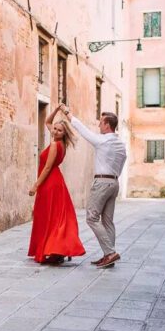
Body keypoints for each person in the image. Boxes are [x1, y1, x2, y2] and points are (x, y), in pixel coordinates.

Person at [60, 104, 127, 269]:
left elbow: (83, 130)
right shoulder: (120, 145)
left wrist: (68, 113)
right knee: (108, 221)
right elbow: (122, 162)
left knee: (91, 217)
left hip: (102, 182)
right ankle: (108, 255)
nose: (99, 125)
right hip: (114, 182)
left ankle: (110, 252)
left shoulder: (103, 141)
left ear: (107, 125)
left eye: (101, 122)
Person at [28, 105, 86, 265]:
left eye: (59, 130)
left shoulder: (55, 145)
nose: (54, 131)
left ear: (64, 133)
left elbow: (47, 167)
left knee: (50, 216)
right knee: (55, 216)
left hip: (50, 183)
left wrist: (35, 185)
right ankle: (56, 248)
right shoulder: (61, 144)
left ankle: (55, 249)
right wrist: (57, 110)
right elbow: (47, 121)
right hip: (56, 182)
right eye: (54, 129)